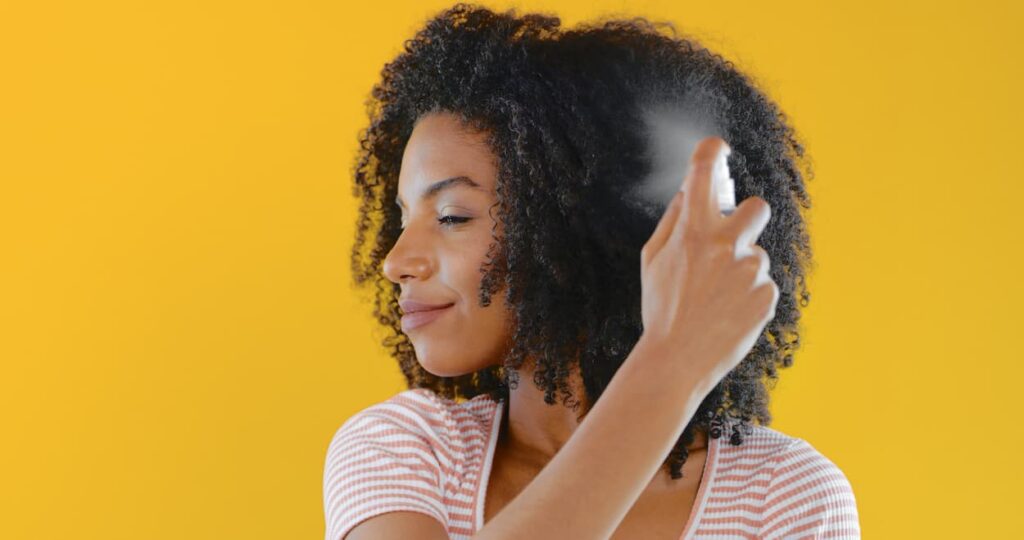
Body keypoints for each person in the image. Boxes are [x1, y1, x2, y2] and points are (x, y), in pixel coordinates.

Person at [323, 3, 860, 539]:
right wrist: (671, 367)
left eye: (451, 216)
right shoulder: (406, 450)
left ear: (579, 231)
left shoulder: (782, 496)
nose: (396, 262)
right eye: (401, 217)